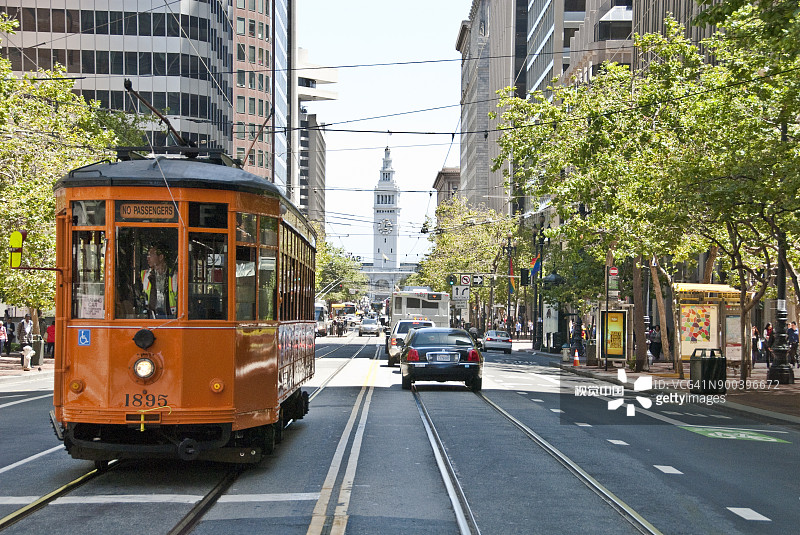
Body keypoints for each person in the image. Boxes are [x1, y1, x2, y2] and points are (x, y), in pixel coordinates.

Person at [141, 244, 177, 318]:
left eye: (151, 255)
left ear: (161, 257)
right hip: (150, 317)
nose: (148, 258)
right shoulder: (144, 275)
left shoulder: (174, 276)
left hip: (171, 318)